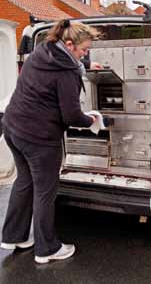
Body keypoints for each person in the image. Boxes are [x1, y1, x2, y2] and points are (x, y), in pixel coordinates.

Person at [0, 19, 101, 264]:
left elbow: (67, 61)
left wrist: (86, 63)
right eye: (84, 50)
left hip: (13, 128)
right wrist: (94, 120)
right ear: (69, 44)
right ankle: (47, 249)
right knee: (45, 191)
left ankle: (14, 236)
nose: (85, 54)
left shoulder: (41, 52)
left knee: (24, 182)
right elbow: (71, 115)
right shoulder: (67, 71)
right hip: (39, 138)